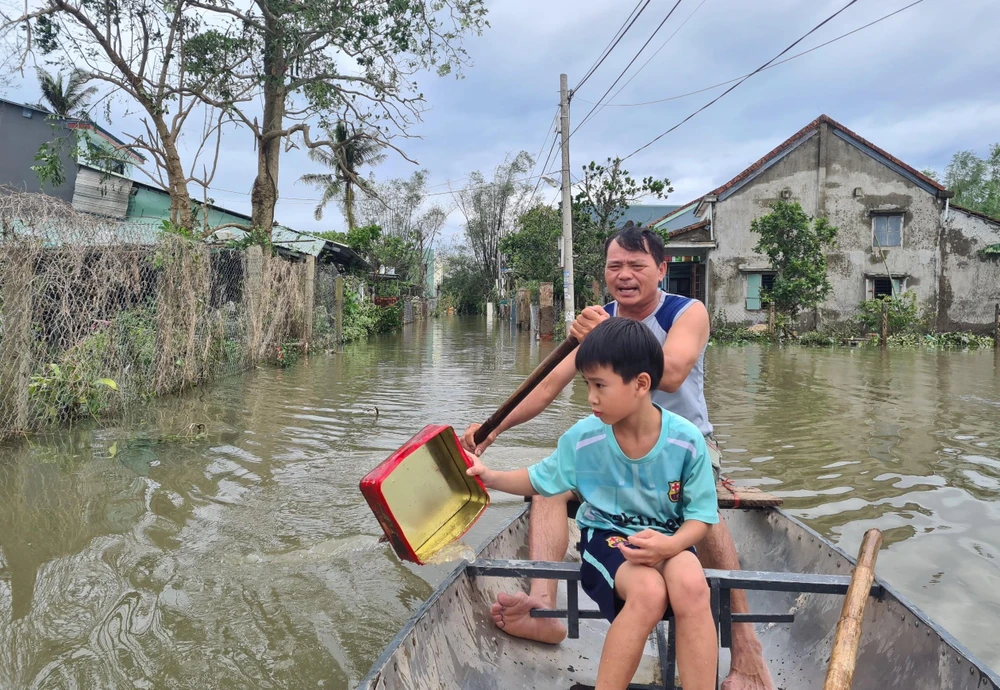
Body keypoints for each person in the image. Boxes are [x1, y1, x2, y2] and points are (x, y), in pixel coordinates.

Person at [461, 225, 775, 690]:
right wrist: (491, 432)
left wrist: (602, 333)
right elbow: (547, 385)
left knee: (704, 515)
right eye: (614, 266)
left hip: (682, 445)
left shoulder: (686, 312)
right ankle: (545, 608)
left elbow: (667, 373)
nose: (624, 275)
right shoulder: (598, 324)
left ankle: (746, 645)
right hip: (612, 441)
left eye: (636, 265)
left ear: (662, 270)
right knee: (552, 483)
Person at [467, 317, 718, 690]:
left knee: (692, 582)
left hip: (667, 539)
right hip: (609, 540)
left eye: (600, 385)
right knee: (649, 592)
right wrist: (490, 476)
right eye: (588, 385)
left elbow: (700, 518)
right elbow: (539, 479)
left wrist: (671, 544)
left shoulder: (686, 440)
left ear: (641, 384)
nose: (591, 398)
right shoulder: (584, 438)